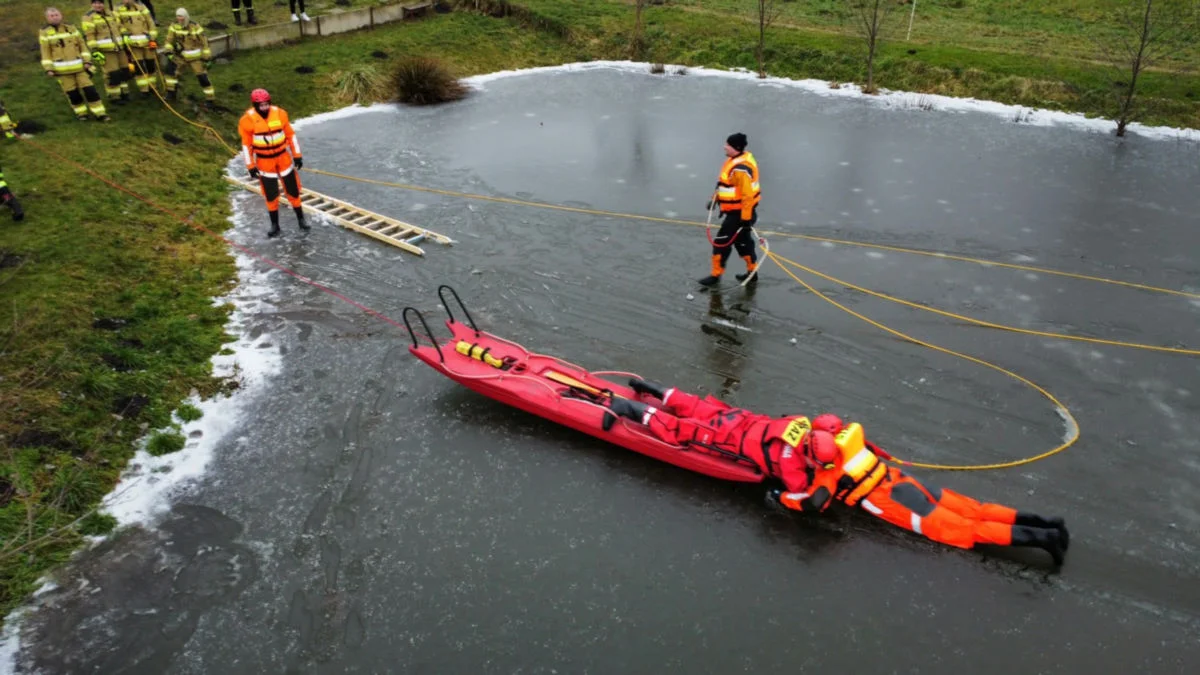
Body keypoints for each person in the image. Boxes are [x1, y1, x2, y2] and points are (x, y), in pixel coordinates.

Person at [608, 379, 1069, 566]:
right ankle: (1046, 524)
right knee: (969, 508)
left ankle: (1044, 539)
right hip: (900, 481)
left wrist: (779, 501)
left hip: (746, 428)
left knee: (960, 531)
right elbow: (869, 450)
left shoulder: (809, 453)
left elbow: (810, 502)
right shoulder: (846, 439)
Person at [607, 378, 838, 494]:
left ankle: (653, 388)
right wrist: (830, 478)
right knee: (679, 431)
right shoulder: (790, 461)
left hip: (738, 419)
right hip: (728, 440)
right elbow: (799, 488)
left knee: (695, 407)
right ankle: (629, 408)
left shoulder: (799, 421)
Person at [238, 88, 307, 238]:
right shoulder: (247, 121)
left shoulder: (280, 114)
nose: (264, 107)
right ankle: (275, 225)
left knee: (293, 190)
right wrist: (250, 166)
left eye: (266, 104)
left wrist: (297, 156)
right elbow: (246, 146)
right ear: (255, 105)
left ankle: (301, 219)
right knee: (270, 194)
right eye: (261, 105)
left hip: (283, 158)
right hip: (264, 161)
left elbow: (290, 136)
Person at [699, 132, 760, 287]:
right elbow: (724, 185)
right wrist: (715, 199)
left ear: (736, 147)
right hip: (739, 213)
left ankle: (715, 275)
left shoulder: (740, 168)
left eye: (727, 144)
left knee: (721, 242)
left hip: (739, 214)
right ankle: (752, 273)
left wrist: (745, 219)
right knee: (743, 242)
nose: (724, 147)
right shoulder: (734, 160)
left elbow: (747, 196)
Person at [39, 7, 109, 121]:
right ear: (47, 18)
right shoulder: (44, 32)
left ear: (61, 15)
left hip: (80, 68)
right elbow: (45, 52)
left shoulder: (71, 28)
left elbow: (83, 45)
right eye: (52, 16)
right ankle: (82, 114)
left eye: (56, 14)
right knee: (73, 94)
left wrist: (87, 61)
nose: (55, 17)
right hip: (62, 71)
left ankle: (100, 113)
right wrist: (48, 68)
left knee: (90, 91)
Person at [82, 0, 131, 105]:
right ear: (92, 4)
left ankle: (124, 93)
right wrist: (94, 51)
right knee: (112, 74)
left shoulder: (111, 13)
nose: (98, 5)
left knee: (124, 70)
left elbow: (119, 26)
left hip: (120, 47)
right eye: (95, 3)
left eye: (100, 3)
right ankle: (114, 97)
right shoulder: (88, 17)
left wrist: (125, 34)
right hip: (105, 50)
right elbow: (89, 35)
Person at [163, 8, 213, 105]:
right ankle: (171, 93)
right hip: (180, 56)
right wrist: (168, 52)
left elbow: (205, 43)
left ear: (186, 17)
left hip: (196, 58)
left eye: (181, 16)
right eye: (177, 16)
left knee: (203, 78)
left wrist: (207, 58)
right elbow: (168, 40)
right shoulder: (174, 26)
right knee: (171, 74)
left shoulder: (195, 26)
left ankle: (210, 99)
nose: (179, 18)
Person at [116, 0, 158, 96]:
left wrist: (152, 39)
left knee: (151, 65)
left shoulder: (142, 7)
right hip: (133, 44)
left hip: (147, 42)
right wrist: (124, 34)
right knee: (139, 67)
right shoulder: (118, 10)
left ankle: (153, 87)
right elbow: (118, 24)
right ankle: (144, 90)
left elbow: (151, 23)